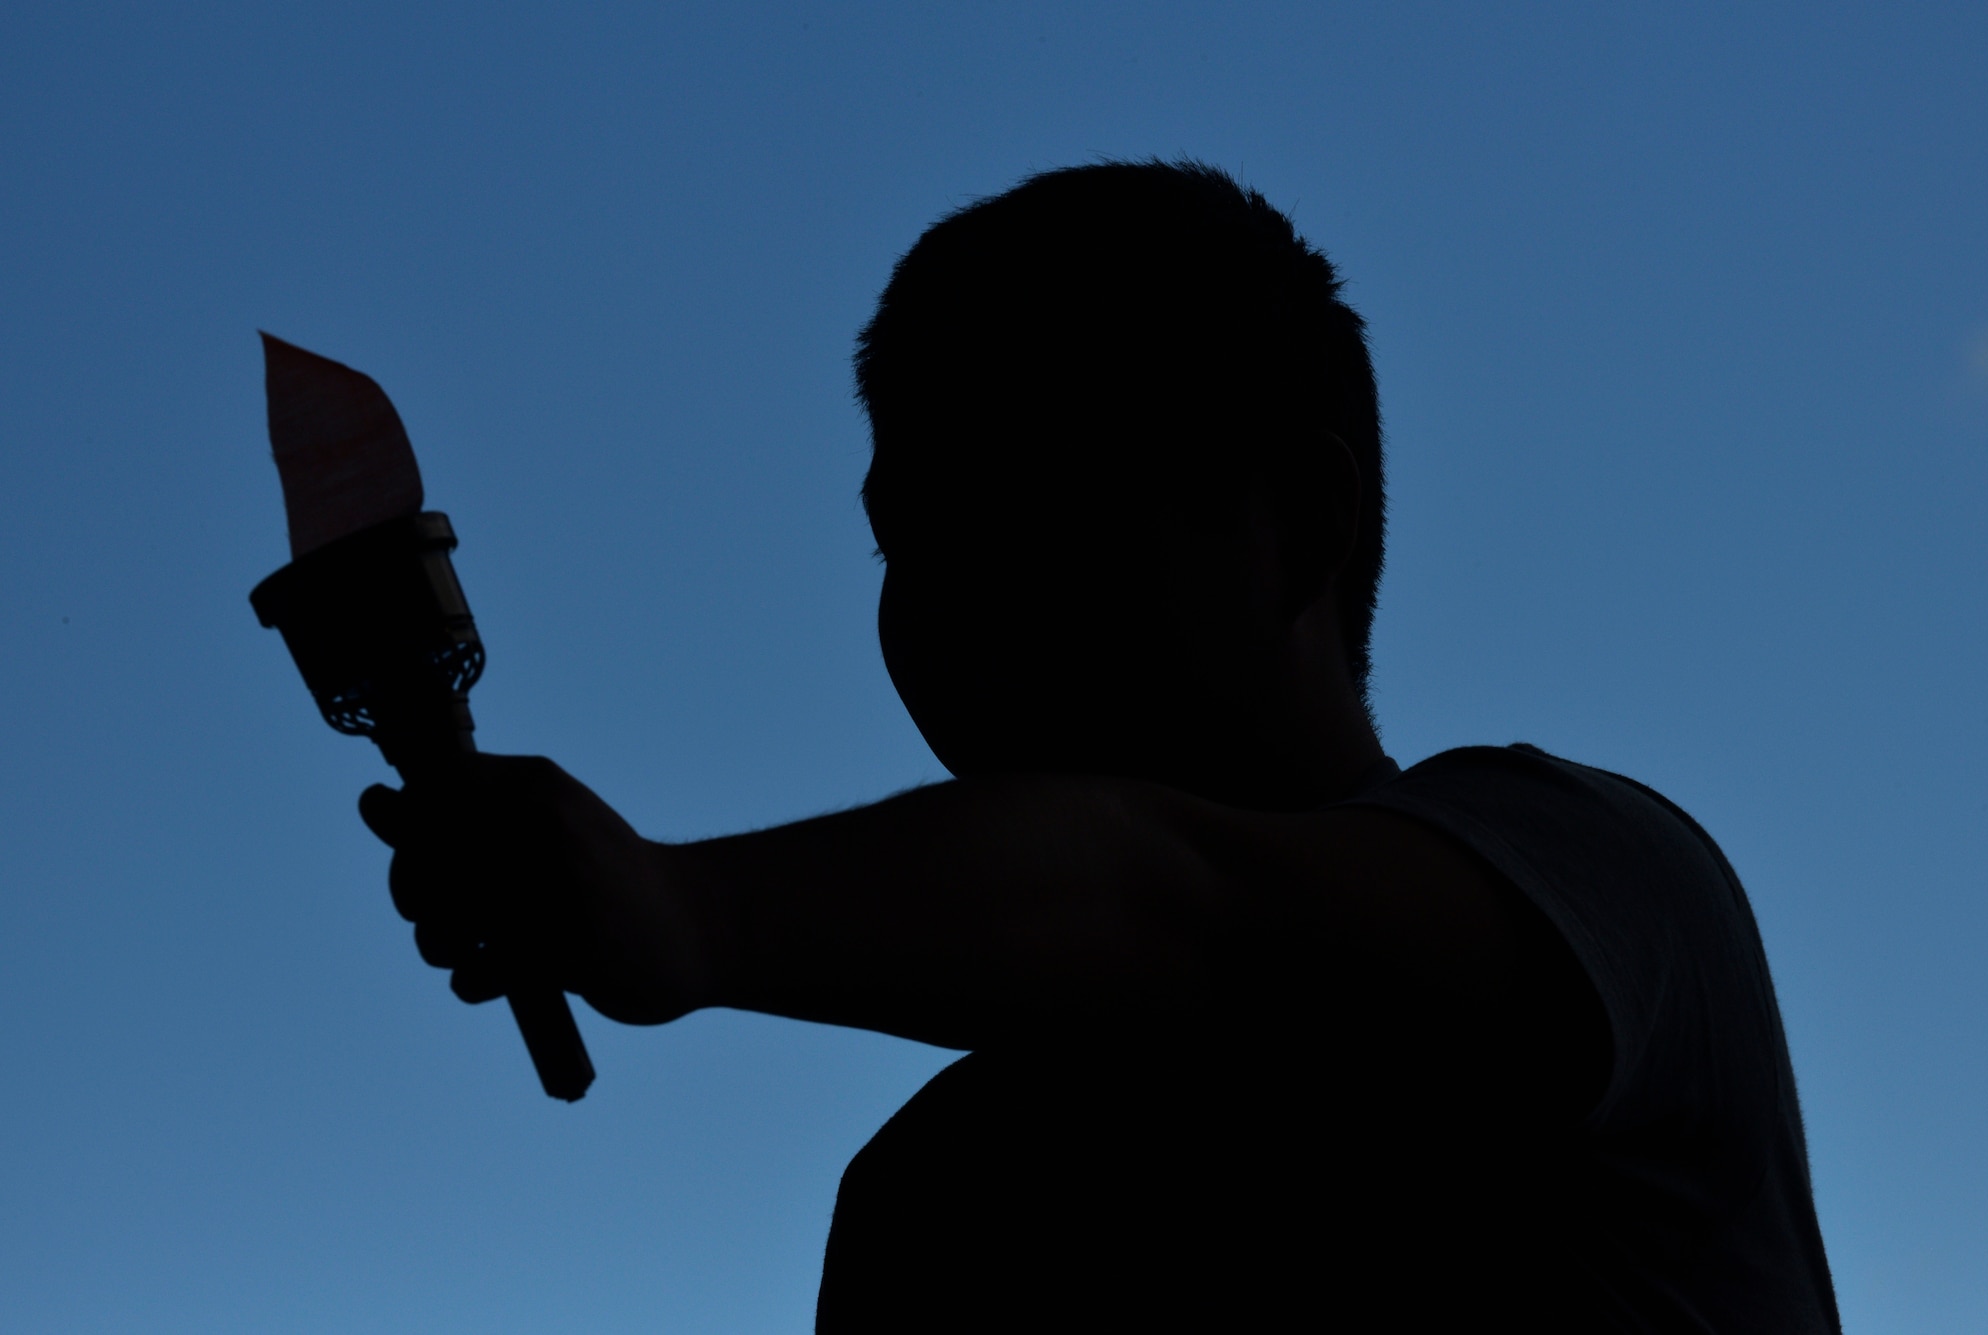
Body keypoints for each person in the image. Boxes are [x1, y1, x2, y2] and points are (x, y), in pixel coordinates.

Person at [359, 160, 1843, 1331]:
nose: (934, 615)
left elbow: (1179, 902)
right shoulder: (933, 1204)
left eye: (1027, 512)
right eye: (902, 544)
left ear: (1300, 527)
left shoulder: (1602, 879)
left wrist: (693, 913)